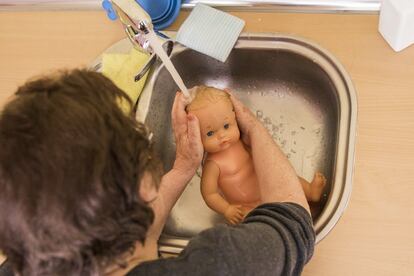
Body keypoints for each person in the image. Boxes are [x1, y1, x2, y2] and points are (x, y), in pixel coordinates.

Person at [0, 69, 315, 276]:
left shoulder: (19, 267)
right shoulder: (219, 264)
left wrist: (182, 168)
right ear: (144, 187)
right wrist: (253, 127)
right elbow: (293, 227)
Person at [186, 85, 327, 224]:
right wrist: (227, 209)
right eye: (210, 133)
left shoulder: (241, 142)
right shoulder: (212, 164)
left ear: (234, 117)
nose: (222, 136)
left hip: (268, 184)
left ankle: (310, 191)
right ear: (196, 136)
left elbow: (260, 154)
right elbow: (209, 194)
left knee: (288, 179)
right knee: (250, 218)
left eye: (226, 126)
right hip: (246, 203)